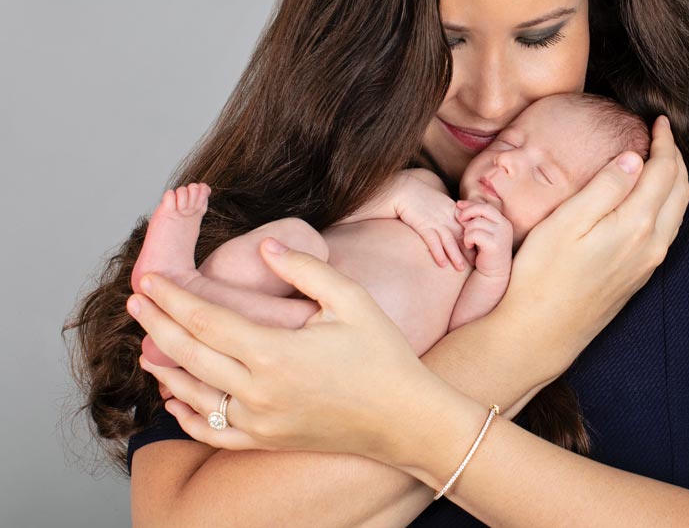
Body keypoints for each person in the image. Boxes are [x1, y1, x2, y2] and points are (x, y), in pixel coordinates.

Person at [64, 0, 689, 526]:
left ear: (604, 5)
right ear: (364, 27)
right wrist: (520, 340)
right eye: (442, 40)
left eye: (539, 35)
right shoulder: (284, 224)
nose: (488, 99)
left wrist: (400, 414)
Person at [134, 92, 651, 366]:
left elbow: (467, 338)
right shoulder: (425, 183)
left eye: (543, 174)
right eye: (510, 144)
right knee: (288, 239)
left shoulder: (509, 275)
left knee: (312, 332)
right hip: (298, 275)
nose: (510, 165)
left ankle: (179, 305)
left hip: (346, 350)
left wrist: (492, 266)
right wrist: (402, 197)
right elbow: (340, 216)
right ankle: (182, 284)